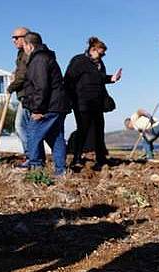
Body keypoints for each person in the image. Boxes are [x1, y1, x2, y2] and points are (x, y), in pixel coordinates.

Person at [64, 36, 122, 171]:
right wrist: (71, 99)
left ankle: (101, 159)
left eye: (103, 54)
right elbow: (68, 80)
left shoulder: (100, 64)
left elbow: (100, 79)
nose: (102, 56)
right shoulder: (79, 61)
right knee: (83, 130)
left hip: (97, 103)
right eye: (101, 53)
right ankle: (77, 159)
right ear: (93, 49)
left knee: (99, 130)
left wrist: (111, 78)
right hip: (82, 103)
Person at [21, 32, 70, 176]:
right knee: (55, 137)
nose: (23, 49)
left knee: (33, 133)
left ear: (29, 46)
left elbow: (41, 86)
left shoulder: (39, 60)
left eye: (24, 45)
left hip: (49, 106)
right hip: (57, 105)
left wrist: (37, 109)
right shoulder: (46, 57)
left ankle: (36, 169)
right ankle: (61, 171)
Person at [6, 26, 35, 167]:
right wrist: (14, 74)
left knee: (20, 126)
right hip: (25, 95)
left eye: (16, 37)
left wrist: (11, 87)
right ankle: (34, 155)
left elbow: (24, 75)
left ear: (25, 37)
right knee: (30, 128)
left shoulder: (27, 53)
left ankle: (32, 156)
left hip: (29, 96)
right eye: (12, 38)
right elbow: (20, 71)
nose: (13, 40)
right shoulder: (21, 54)